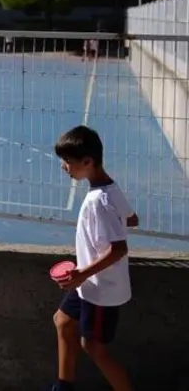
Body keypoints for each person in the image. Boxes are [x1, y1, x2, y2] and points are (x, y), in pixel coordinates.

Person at [49, 126, 136, 391]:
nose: (65, 167)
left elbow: (119, 249)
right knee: (63, 321)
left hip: (99, 288)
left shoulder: (98, 202)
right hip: (89, 283)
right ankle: (63, 388)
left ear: (87, 162)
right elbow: (132, 219)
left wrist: (81, 274)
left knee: (94, 347)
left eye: (68, 162)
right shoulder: (108, 187)